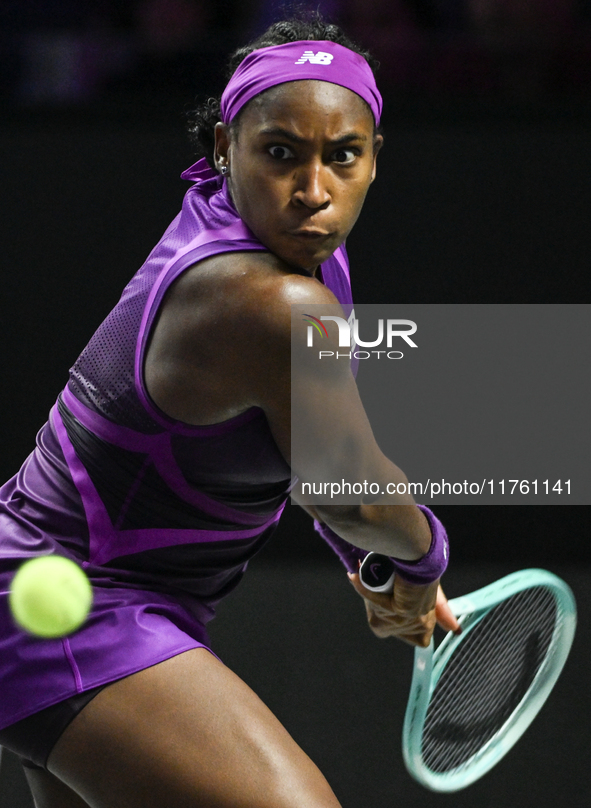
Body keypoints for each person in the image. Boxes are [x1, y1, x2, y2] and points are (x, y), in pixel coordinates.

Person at [0, 12, 460, 808]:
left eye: (341, 156)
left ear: (373, 160)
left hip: (103, 598)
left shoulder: (294, 247)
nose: (313, 189)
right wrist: (419, 560)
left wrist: (363, 556)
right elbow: (347, 487)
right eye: (279, 153)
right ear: (222, 148)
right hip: (66, 603)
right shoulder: (265, 301)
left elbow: (313, 458)